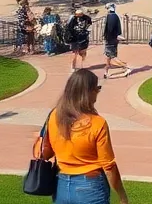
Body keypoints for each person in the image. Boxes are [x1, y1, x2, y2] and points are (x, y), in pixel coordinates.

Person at [35, 69, 130, 204]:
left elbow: (44, 152)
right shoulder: (98, 123)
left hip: (61, 185)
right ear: (88, 92)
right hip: (90, 186)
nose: (98, 92)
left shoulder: (54, 116)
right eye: (97, 88)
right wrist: (122, 196)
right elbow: (109, 166)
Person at [102, 4, 131, 80]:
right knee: (108, 57)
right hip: (113, 39)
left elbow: (110, 29)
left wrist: (107, 37)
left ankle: (127, 67)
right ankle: (106, 72)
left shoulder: (110, 16)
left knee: (112, 56)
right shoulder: (115, 16)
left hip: (110, 40)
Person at [67, 7, 92, 73]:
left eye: (80, 14)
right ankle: (73, 66)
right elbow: (69, 28)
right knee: (74, 53)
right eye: (77, 14)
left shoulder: (87, 18)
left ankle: (82, 64)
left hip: (83, 38)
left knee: (83, 53)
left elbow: (89, 24)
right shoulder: (72, 19)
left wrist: (86, 31)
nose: (78, 16)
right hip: (74, 38)